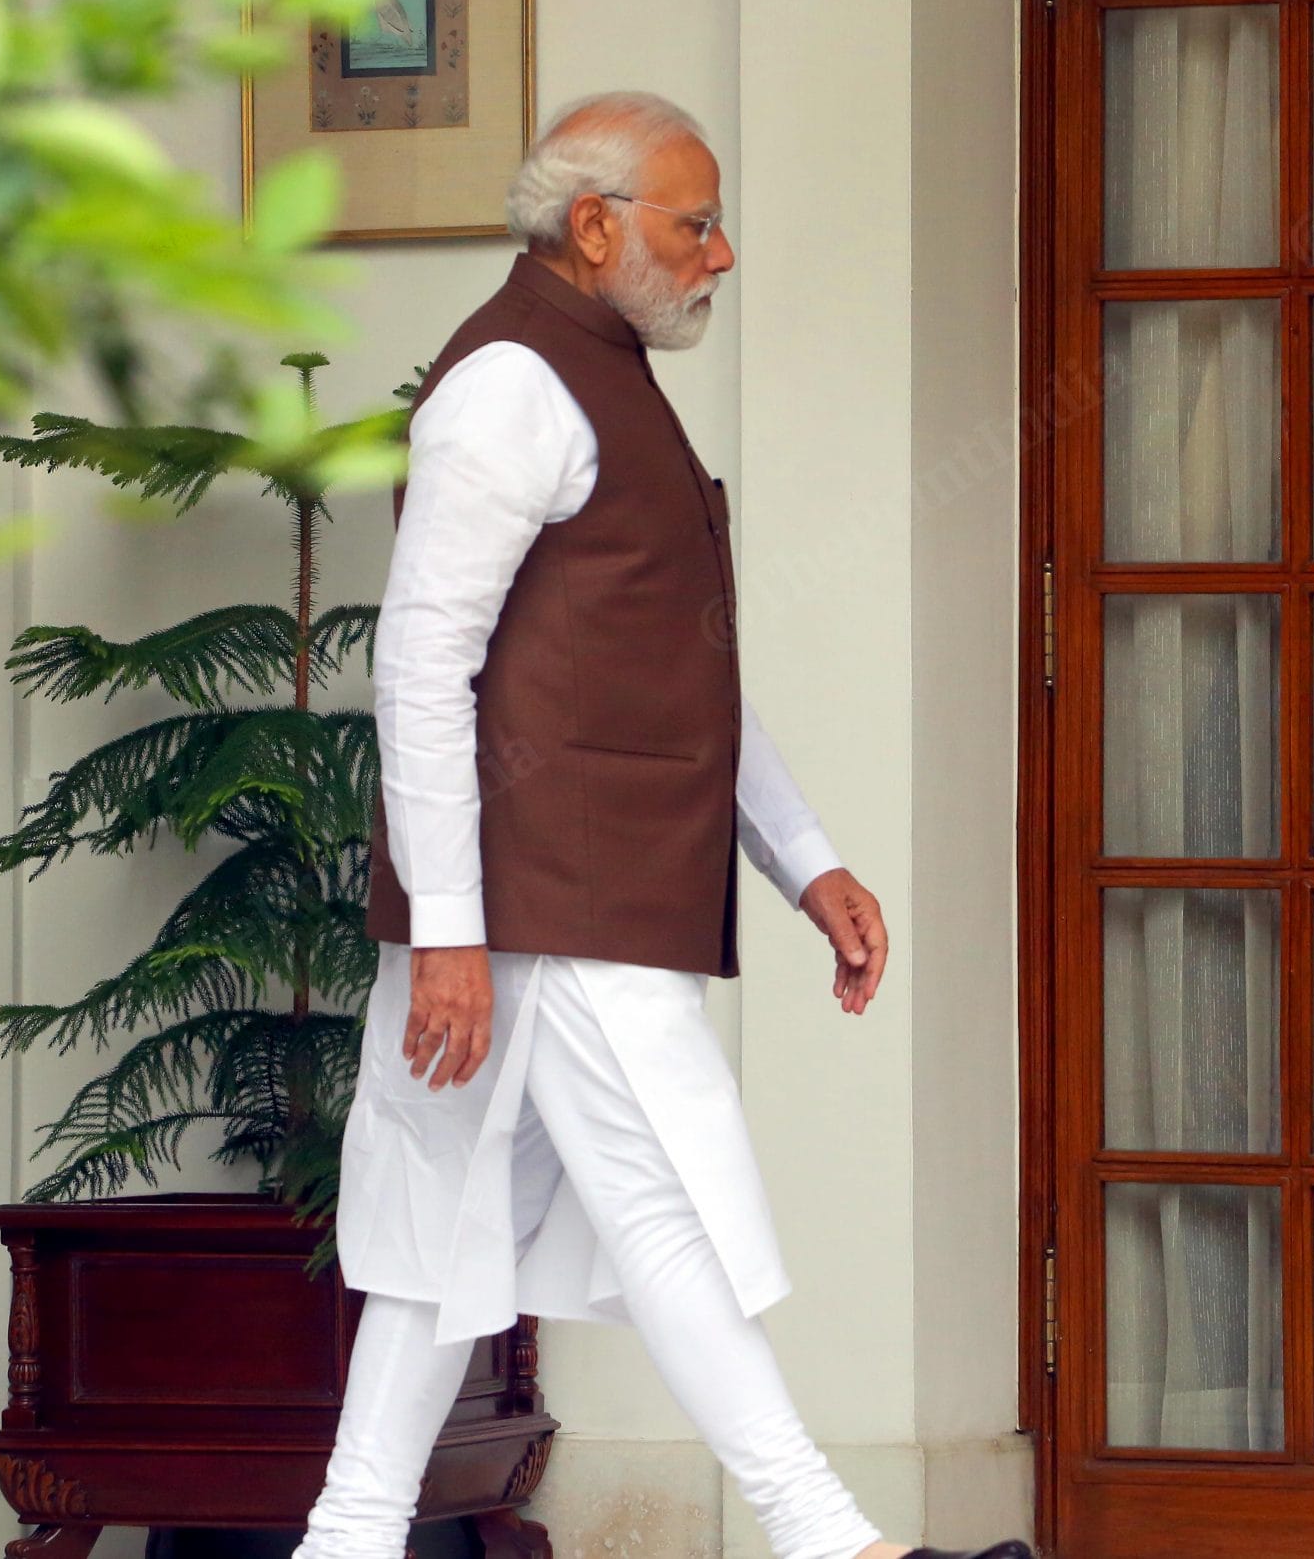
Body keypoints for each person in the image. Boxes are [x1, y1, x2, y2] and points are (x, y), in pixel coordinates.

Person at [298, 90, 1031, 1559]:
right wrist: (449, 933)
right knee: (669, 1205)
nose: (722, 254)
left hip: (568, 895)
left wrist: (806, 860)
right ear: (595, 227)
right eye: (698, 224)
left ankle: (344, 1543)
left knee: (445, 1248)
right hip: (550, 899)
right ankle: (833, 1545)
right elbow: (421, 667)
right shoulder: (510, 387)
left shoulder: (602, 373)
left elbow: (673, 670)